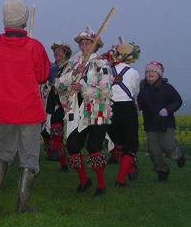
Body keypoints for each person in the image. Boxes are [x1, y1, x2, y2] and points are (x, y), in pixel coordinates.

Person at [0, 0, 49, 213]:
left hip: (3, 110)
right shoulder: (34, 47)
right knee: (29, 157)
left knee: (3, 152)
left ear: (5, 20)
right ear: (24, 20)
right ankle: (22, 206)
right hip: (28, 110)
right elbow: (43, 75)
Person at [55, 28, 112, 196]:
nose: (84, 45)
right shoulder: (73, 62)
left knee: (94, 146)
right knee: (72, 146)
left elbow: (106, 91)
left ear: (95, 45)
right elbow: (59, 85)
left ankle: (101, 184)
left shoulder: (102, 63)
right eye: (81, 42)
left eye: (87, 42)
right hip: (76, 111)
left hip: (97, 110)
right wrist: (73, 74)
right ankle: (84, 180)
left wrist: (83, 87)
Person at [137, 61, 185, 181]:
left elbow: (178, 101)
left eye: (153, 71)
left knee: (168, 147)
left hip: (166, 124)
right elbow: (140, 104)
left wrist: (168, 110)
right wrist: (137, 106)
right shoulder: (142, 89)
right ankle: (162, 171)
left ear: (159, 74)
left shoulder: (167, 88)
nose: (150, 73)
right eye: (148, 71)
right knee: (153, 151)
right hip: (150, 124)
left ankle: (178, 155)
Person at [103, 42, 141, 187]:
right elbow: (135, 93)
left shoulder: (108, 70)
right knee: (130, 144)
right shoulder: (134, 73)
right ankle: (121, 179)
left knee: (118, 141)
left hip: (110, 107)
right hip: (126, 108)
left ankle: (126, 169)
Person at [41, 41, 73, 171]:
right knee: (47, 128)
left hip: (64, 102)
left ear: (66, 53)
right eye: (55, 51)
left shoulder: (70, 67)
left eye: (59, 50)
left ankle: (62, 159)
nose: (56, 53)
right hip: (50, 102)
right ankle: (57, 157)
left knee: (57, 130)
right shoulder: (52, 68)